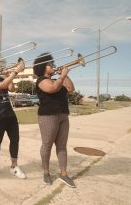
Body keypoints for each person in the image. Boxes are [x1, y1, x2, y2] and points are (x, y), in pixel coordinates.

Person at [33, 52, 76, 188]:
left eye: (52, 63)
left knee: (62, 146)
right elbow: (51, 89)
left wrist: (65, 75)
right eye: (50, 64)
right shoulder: (41, 80)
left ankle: (64, 174)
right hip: (48, 116)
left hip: (63, 115)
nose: (53, 65)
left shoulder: (58, 80)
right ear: (43, 67)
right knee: (47, 145)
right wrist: (62, 75)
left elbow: (70, 89)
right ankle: (46, 172)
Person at [0, 59, 26, 179]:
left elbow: (11, 89)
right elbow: (1, 86)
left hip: (10, 115)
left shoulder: (2, 78)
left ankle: (14, 166)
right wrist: (15, 72)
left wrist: (9, 76)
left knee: (15, 139)